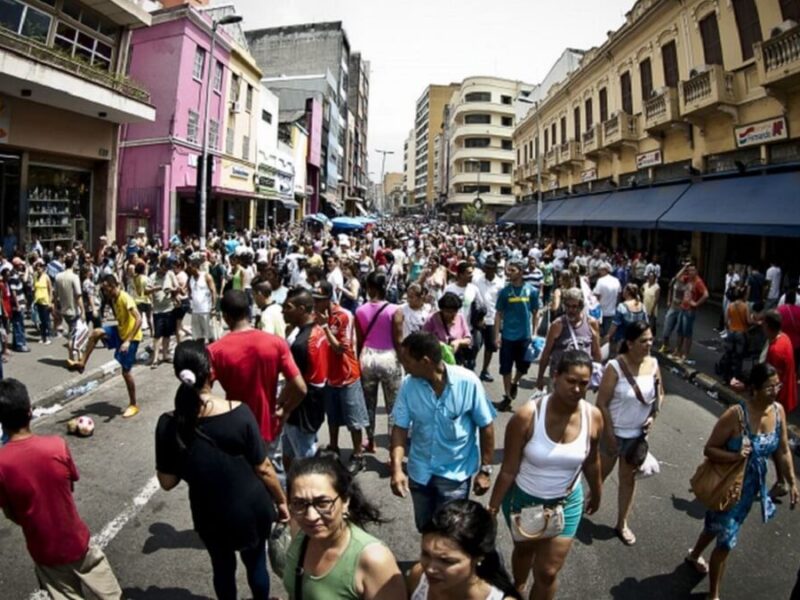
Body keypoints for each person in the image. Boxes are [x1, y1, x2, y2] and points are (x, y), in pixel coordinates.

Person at [155, 341, 289, 600]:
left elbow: (167, 482)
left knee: (222, 569)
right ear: (212, 373)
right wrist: (281, 502)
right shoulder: (239, 412)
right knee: (256, 564)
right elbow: (263, 468)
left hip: (209, 512)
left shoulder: (168, 423)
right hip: (251, 508)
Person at [487, 350, 603, 599]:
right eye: (571, 381)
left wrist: (597, 491)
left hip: (566, 503)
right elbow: (509, 469)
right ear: (556, 376)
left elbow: (592, 460)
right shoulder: (526, 417)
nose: (577, 389)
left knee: (548, 572)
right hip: (524, 501)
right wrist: (493, 508)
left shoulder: (593, 417)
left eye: (584, 383)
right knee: (525, 553)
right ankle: (518, 586)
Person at [0, 379, 122, 598]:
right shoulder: (56, 446)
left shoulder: (2, 463)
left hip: (43, 549)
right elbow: (69, 486)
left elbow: (11, 512)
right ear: (30, 412)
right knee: (111, 593)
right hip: (77, 540)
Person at [686, 363, 798, 600]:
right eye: (769, 387)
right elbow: (710, 449)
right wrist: (735, 456)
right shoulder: (736, 415)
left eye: (777, 385)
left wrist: (791, 481)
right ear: (754, 389)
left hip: (749, 492)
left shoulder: (778, 412)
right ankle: (713, 594)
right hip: (728, 486)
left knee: (715, 526)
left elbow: (783, 450)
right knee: (726, 540)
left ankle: (694, 554)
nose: (776, 391)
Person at [390, 331, 496, 531]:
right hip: (420, 473)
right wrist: (396, 468)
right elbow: (400, 429)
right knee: (425, 527)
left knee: (450, 534)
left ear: (425, 361)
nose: (404, 366)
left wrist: (485, 471)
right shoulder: (408, 385)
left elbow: (486, 426)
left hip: (454, 476)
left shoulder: (468, 382)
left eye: (407, 361)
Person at [283, 454, 407, 600]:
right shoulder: (299, 529)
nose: (311, 516)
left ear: (345, 501)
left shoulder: (374, 559)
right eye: (299, 503)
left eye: (322, 503)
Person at [209, 290, 306, 462]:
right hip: (268, 425)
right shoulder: (276, 343)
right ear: (249, 312)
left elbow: (204, 394)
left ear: (225, 317)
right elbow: (300, 387)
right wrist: (284, 411)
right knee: (272, 474)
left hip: (235, 426)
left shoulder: (214, 350)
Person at [595, 321, 663, 546]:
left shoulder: (653, 364)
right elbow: (602, 403)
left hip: (636, 438)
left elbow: (660, 395)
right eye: (643, 341)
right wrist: (610, 435)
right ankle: (586, 501)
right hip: (612, 435)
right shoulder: (615, 366)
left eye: (651, 339)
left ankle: (622, 523)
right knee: (599, 476)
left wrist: (652, 417)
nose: (649, 344)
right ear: (630, 343)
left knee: (628, 480)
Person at [407, 500, 521, 600]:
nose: (430, 569)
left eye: (446, 561)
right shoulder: (418, 578)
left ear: (478, 557)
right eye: (426, 554)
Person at [312, 280, 370, 474]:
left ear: (328, 299)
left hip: (347, 373)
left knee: (354, 419)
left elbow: (339, 348)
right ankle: (334, 448)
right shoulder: (316, 315)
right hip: (328, 375)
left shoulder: (343, 315)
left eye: (319, 299)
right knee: (333, 416)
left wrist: (325, 327)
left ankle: (358, 455)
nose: (315, 303)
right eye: (314, 299)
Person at [68, 274, 142, 418]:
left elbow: (138, 319)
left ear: (114, 286)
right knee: (96, 332)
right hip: (120, 332)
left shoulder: (125, 298)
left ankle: (133, 404)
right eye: (104, 290)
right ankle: (82, 363)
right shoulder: (112, 300)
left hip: (131, 338)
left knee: (126, 373)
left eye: (107, 289)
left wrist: (128, 341)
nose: (106, 293)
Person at [282, 287, 329, 471]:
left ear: (301, 309)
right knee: (288, 452)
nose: (283, 311)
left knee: (307, 463)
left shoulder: (301, 344)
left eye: (288, 307)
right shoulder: (317, 331)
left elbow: (298, 386)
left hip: (301, 412)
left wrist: (283, 408)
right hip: (313, 406)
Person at [355, 271, 402, 453]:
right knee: (394, 406)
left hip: (367, 357)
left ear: (368, 288)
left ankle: (371, 441)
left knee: (368, 403)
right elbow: (398, 340)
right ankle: (393, 448)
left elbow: (359, 341)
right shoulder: (394, 310)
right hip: (389, 357)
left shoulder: (360, 311)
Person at [494, 258, 540, 412]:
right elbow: (498, 314)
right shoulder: (505, 292)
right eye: (508, 269)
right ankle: (507, 396)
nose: (508, 272)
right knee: (506, 367)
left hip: (525, 336)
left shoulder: (531, 291)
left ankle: (515, 382)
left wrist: (534, 332)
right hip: (508, 336)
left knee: (523, 366)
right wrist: (497, 335)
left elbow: (535, 312)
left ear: (521, 272)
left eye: (512, 270)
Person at [536, 288, 602, 391]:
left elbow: (596, 352)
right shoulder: (557, 325)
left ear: (581, 306)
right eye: (568, 306)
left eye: (574, 306)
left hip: (580, 382)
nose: (571, 310)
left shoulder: (591, 323)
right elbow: (546, 353)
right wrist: (540, 377)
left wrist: (597, 377)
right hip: (558, 380)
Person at [475, 257, 505, 383]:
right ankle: (470, 367)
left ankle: (484, 370)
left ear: (494, 269)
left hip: (492, 319)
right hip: (477, 319)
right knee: (475, 345)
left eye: (490, 268)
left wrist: (502, 321)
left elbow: (501, 304)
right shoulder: (477, 280)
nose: (487, 270)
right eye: (486, 267)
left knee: (490, 346)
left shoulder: (500, 283)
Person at [423, 291, 473, 365]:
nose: (451, 315)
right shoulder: (431, 319)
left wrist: (458, 342)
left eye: (454, 311)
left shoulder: (460, 317)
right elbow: (423, 339)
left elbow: (468, 339)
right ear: (442, 309)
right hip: (437, 360)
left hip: (456, 360)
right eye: (448, 312)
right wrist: (439, 345)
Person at [148, 255, 179, 368]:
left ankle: (165, 355)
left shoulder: (170, 274)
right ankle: (155, 358)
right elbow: (146, 290)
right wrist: (155, 289)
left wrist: (172, 290)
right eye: (164, 268)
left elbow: (177, 287)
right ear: (160, 266)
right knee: (157, 335)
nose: (166, 270)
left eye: (167, 268)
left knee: (167, 334)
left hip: (169, 308)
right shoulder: (152, 276)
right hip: (157, 310)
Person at [54, 255, 85, 363]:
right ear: (73, 264)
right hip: (73, 310)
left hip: (63, 309)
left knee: (74, 332)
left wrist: (55, 308)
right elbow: (78, 295)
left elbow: (55, 295)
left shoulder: (58, 276)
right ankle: (72, 357)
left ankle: (79, 354)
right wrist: (83, 311)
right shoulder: (74, 277)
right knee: (74, 334)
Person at [603, 283, 647, 355]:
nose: (622, 292)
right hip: (637, 341)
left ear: (628, 292)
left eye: (624, 290)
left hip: (623, 341)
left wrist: (608, 336)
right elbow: (645, 325)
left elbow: (615, 324)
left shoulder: (622, 307)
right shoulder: (642, 306)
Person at [187, 253, 217, 344]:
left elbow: (213, 291)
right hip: (195, 311)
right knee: (198, 337)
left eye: (191, 266)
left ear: (196, 266)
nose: (189, 267)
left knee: (210, 336)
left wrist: (213, 307)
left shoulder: (206, 276)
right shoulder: (190, 279)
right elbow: (190, 293)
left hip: (206, 310)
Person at [593, 262, 621, 337]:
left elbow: (596, 297)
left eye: (600, 270)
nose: (599, 272)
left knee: (599, 334)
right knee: (608, 335)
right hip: (612, 312)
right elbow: (619, 296)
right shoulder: (616, 280)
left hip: (601, 313)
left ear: (605, 270)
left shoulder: (600, 281)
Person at [33, 260, 52, 345]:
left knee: (46, 320)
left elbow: (50, 290)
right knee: (40, 320)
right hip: (38, 301)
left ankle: (47, 336)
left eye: (40, 267)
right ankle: (42, 336)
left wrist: (50, 302)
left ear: (43, 268)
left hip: (45, 301)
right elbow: (34, 288)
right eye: (37, 267)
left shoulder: (46, 277)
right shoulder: (35, 276)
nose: (38, 268)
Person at [642, 270, 660, 335]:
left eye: (652, 276)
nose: (650, 278)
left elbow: (657, 298)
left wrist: (653, 308)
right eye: (649, 276)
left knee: (651, 323)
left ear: (655, 278)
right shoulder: (645, 285)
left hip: (652, 307)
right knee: (644, 322)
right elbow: (641, 290)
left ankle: (651, 336)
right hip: (645, 306)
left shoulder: (657, 287)